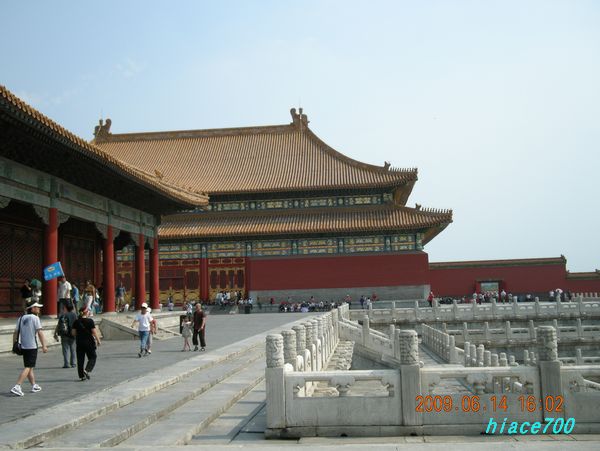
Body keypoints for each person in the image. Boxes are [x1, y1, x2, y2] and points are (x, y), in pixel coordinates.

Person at [10, 301, 48, 396]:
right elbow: (40, 332)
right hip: (32, 346)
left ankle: (34, 385)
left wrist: (14, 345)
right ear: (32, 308)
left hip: (23, 346)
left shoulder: (21, 318)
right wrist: (44, 345)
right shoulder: (35, 318)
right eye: (37, 307)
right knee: (28, 367)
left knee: (29, 366)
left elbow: (15, 332)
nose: (39, 309)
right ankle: (17, 386)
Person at [71, 307, 101, 381]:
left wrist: (79, 333)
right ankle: (87, 370)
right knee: (93, 357)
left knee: (80, 360)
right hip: (89, 342)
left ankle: (82, 376)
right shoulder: (90, 321)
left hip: (79, 342)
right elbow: (94, 332)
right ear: (86, 312)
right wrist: (98, 340)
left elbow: (73, 333)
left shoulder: (76, 322)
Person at [54, 302, 77, 368]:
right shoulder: (75, 315)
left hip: (64, 335)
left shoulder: (63, 316)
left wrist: (55, 333)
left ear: (66, 308)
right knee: (73, 349)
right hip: (72, 334)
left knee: (65, 349)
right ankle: (73, 363)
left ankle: (66, 364)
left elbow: (58, 325)